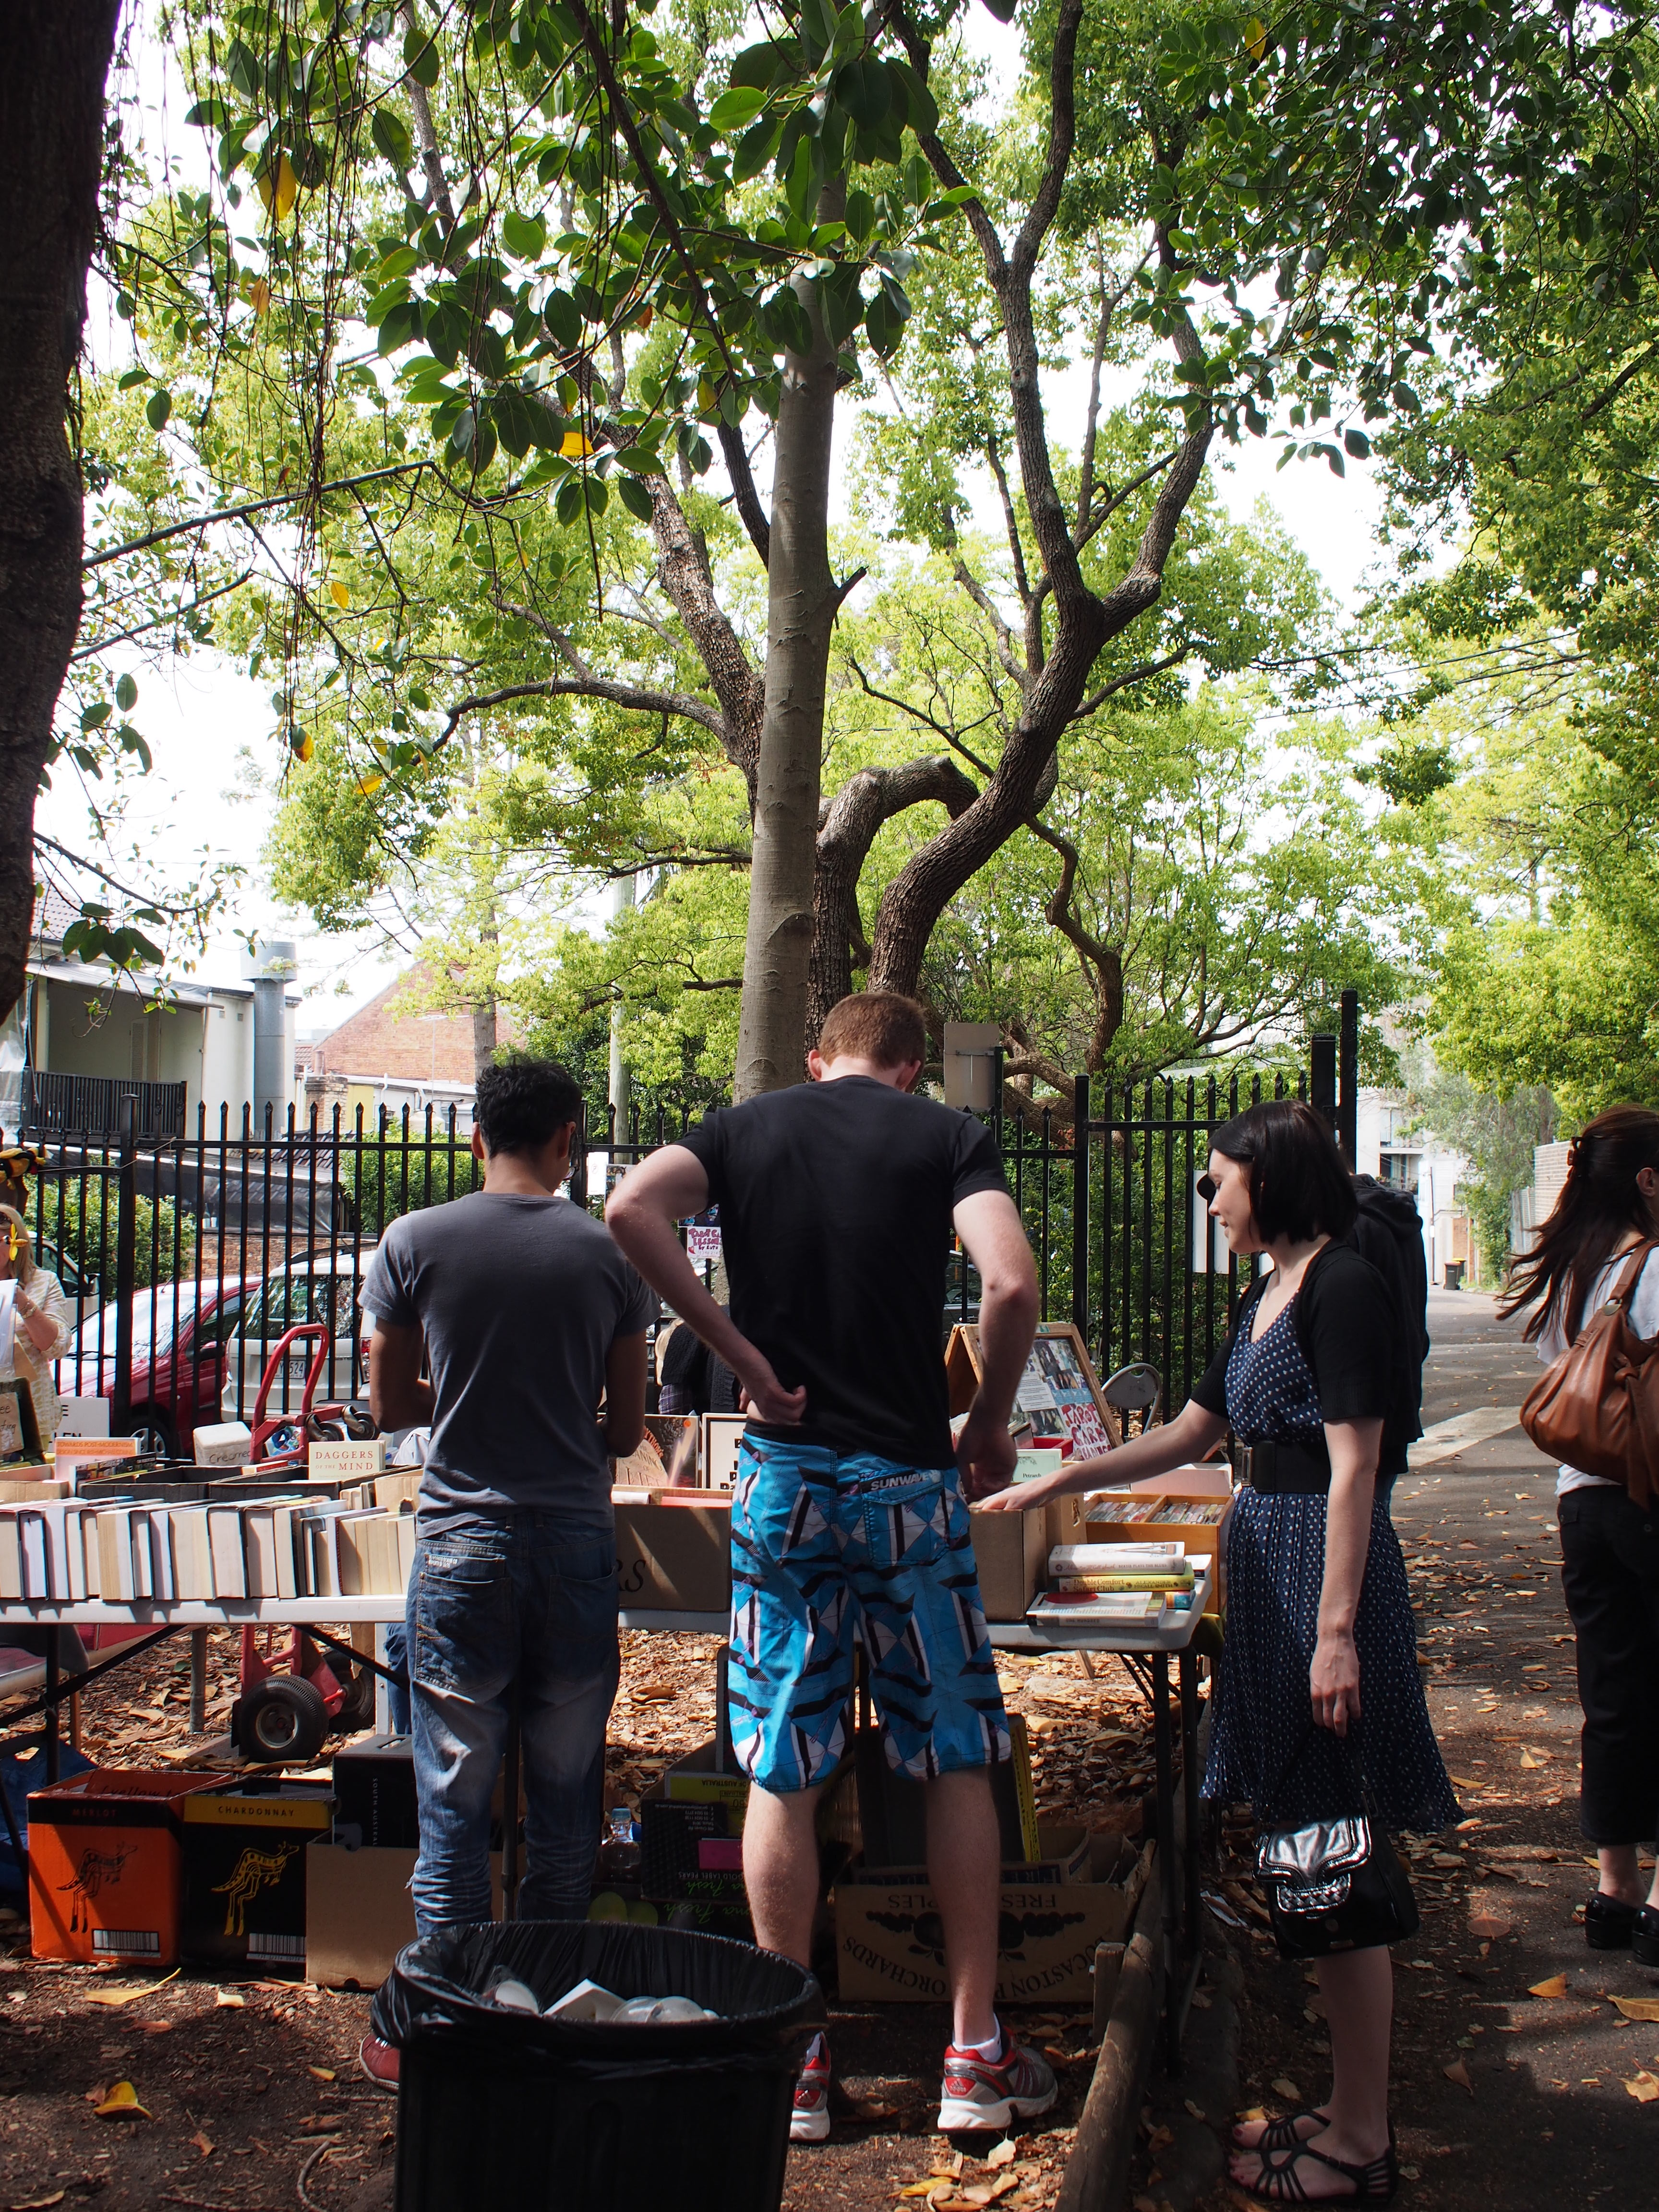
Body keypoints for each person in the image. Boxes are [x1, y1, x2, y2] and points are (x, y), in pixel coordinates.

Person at [606, 992, 1058, 2142]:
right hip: (909, 1482)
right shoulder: (946, 1135)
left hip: (782, 1481)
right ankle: (969, 2050)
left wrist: (739, 1355)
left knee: (781, 1758)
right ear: (909, 1067)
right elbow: (1009, 1285)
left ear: (817, 1058)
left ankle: (796, 2059)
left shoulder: (744, 1126)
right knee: (953, 1754)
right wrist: (989, 1425)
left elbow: (627, 1208)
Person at [997, 1099, 1454, 2205]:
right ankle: (1348, 2113)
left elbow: (1354, 1470)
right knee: (1306, 1833)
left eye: (1215, 1180)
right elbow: (1194, 1432)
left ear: (1269, 1175)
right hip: (1267, 1558)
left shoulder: (1340, 1284)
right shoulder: (1267, 1290)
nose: (1207, 1198)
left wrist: (1334, 1633)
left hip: (1316, 1574)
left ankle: (1359, 2141)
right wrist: (1063, 1475)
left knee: (1331, 1840)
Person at [354, 1056, 654, 2090]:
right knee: (568, 1798)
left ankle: (445, 2017)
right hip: (574, 1542)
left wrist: (467, 1387)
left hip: (462, 1545)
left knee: (454, 1799)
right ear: (570, 1137)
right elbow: (624, 1431)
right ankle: (556, 2008)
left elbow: (390, 1407)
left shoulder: (413, 1243)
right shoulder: (609, 1257)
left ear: (476, 1139)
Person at [1499, 1105, 1659, 1963]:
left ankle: (1614, 1889)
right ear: (1646, 1179)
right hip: (1647, 1497)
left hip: (1581, 1503)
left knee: (1612, 1691)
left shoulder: (1568, 1269)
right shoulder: (1655, 1264)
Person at [0, 1204, 72, 1449]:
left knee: (26, 1484)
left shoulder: (43, 1282)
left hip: (27, 1411)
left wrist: (22, 1302)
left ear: (15, 1243)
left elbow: (57, 1347)